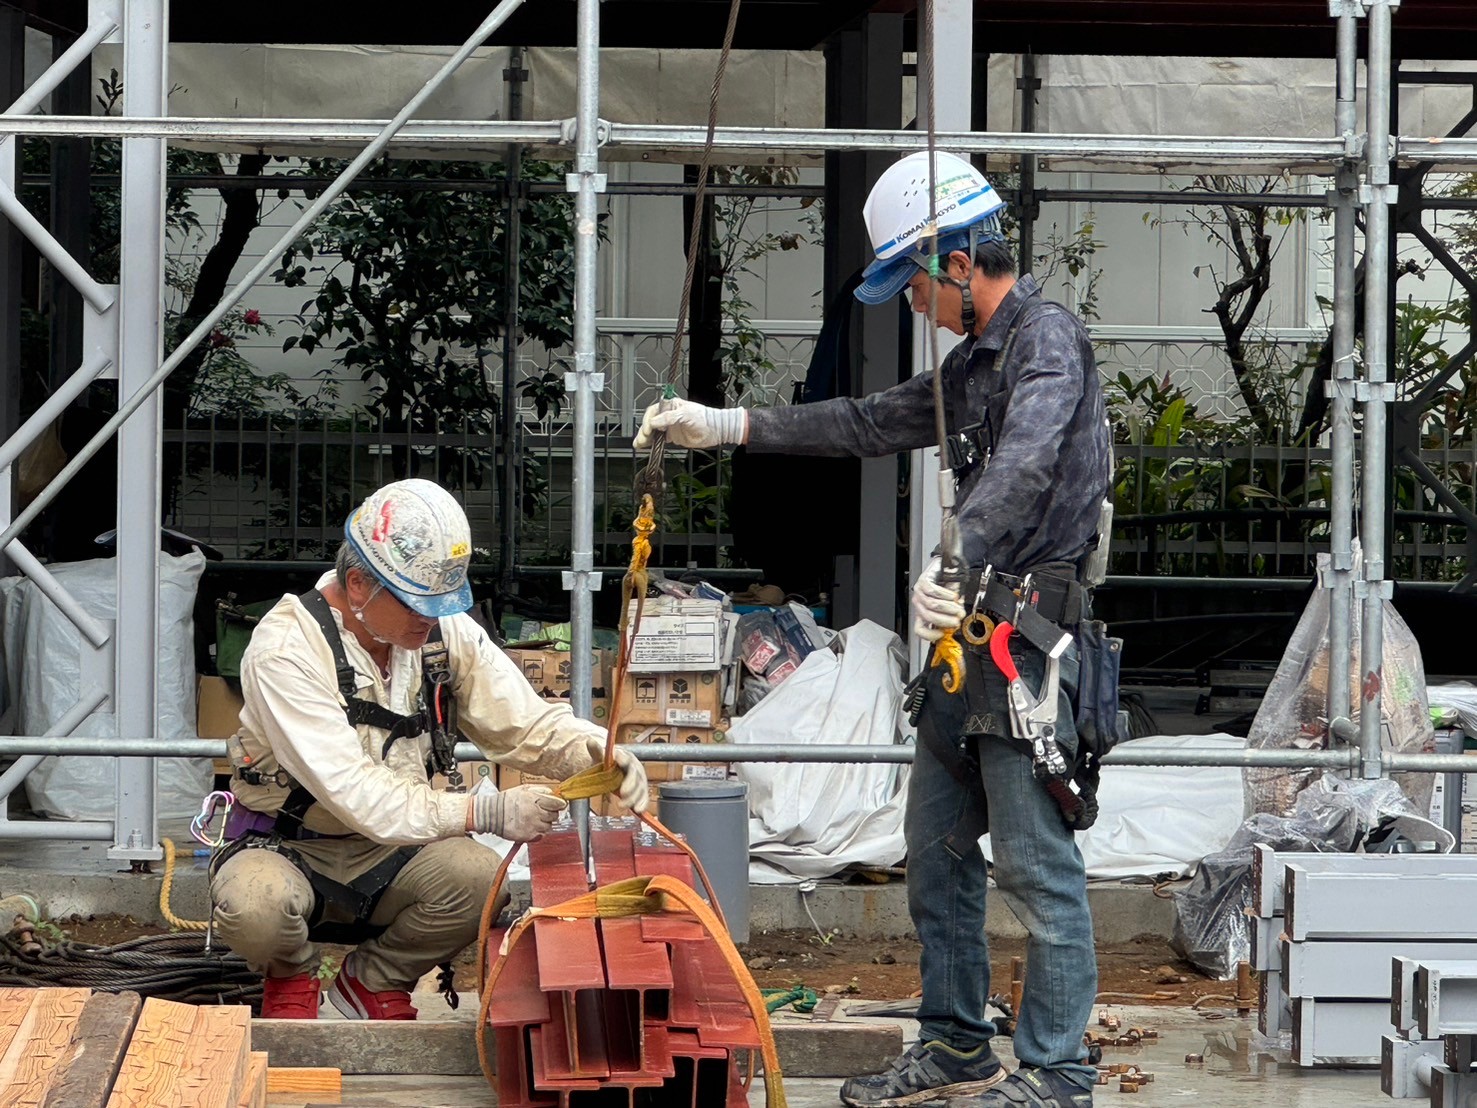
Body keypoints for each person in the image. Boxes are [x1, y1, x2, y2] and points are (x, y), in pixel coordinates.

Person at [635, 151, 1111, 1108]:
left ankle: (1058, 1073)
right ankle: (955, 1046)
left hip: (1026, 651)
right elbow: (860, 423)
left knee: (1035, 869)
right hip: (968, 649)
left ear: (957, 261)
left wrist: (956, 560)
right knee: (934, 863)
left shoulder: (1045, 341)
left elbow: (1024, 465)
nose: (910, 304)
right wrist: (726, 427)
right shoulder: (967, 367)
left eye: (912, 282)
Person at [211, 478, 649, 1020]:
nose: (431, 616)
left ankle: (372, 982)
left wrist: (591, 751)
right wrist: (485, 810)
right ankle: (292, 973)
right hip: (291, 847)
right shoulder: (285, 650)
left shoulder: (441, 632)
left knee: (479, 883)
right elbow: (353, 789)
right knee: (256, 907)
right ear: (356, 585)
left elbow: (524, 724)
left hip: (394, 854)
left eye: (441, 603)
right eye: (418, 603)